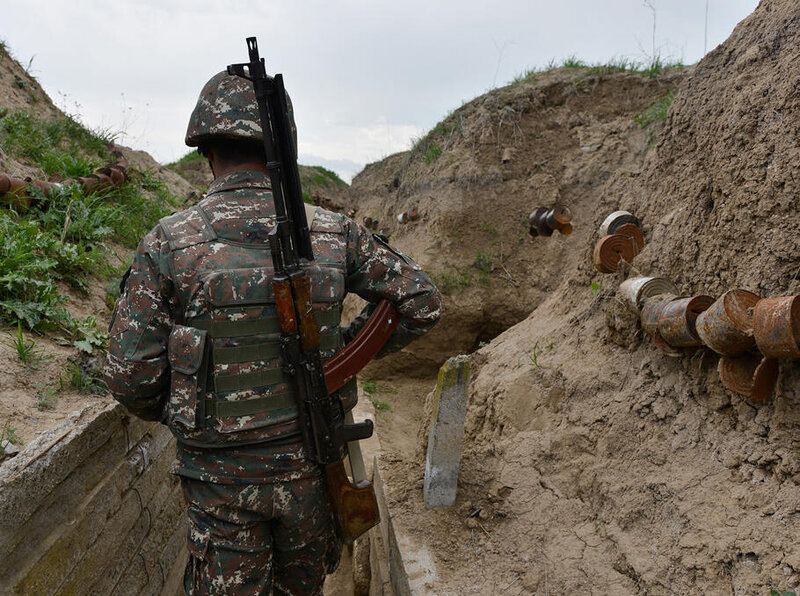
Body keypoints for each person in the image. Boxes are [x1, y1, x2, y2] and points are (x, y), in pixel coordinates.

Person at [103, 71, 442, 595]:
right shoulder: (333, 231)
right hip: (312, 470)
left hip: (220, 483)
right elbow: (420, 302)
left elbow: (130, 379)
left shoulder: (169, 242)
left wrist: (189, 410)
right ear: (282, 143)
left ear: (207, 149)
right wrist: (340, 358)